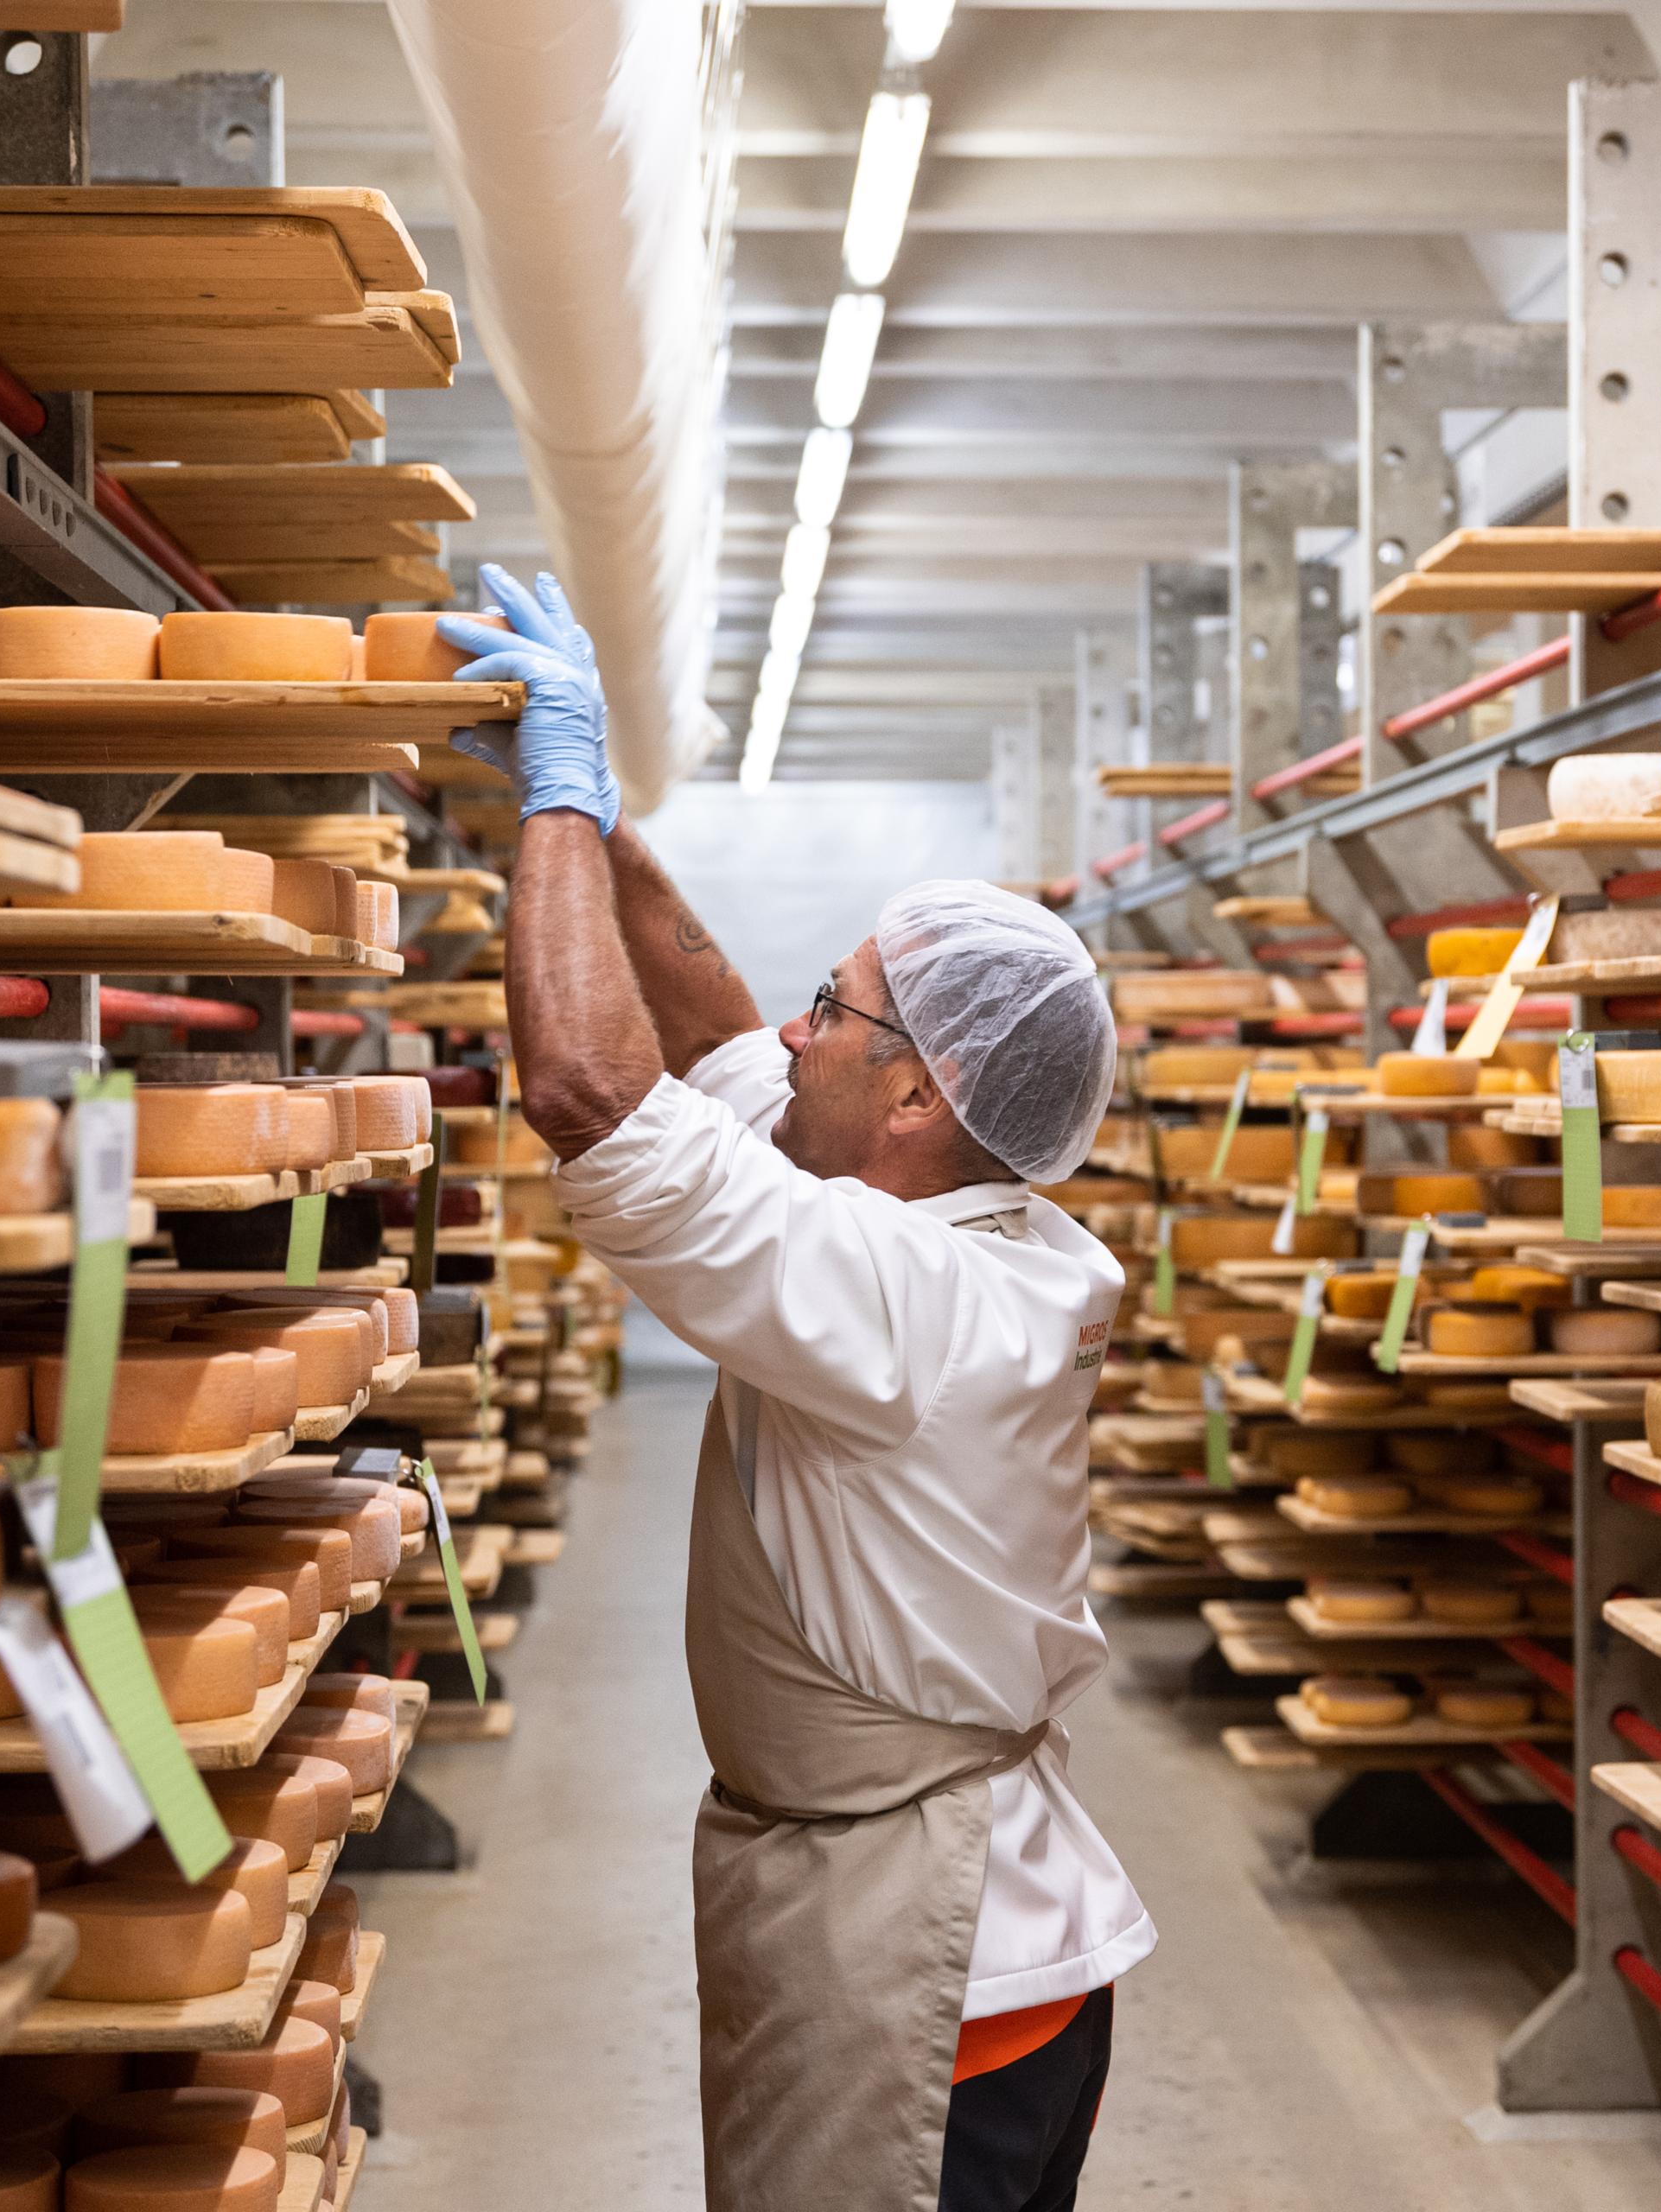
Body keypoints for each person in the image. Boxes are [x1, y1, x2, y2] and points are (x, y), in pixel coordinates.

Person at [441, 568, 1151, 2212]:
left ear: (913, 1093)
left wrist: (548, 797)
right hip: (1010, 1949)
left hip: (923, 1979)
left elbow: (591, 1091)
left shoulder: (895, 1294)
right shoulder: (984, 1230)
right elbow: (716, 1047)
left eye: (835, 1007)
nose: (795, 1024)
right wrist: (606, 832)